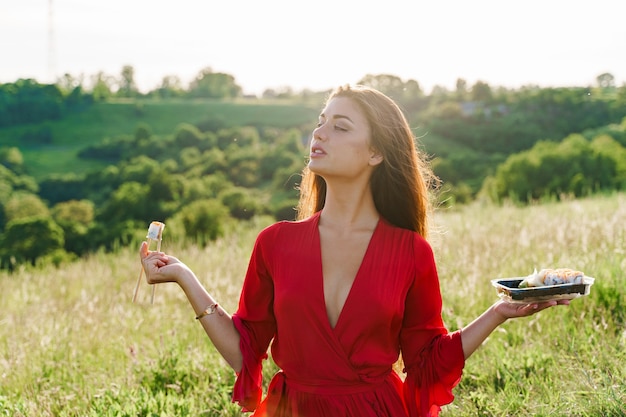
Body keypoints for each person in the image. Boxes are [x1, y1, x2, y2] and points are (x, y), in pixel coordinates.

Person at [140, 85, 569, 417]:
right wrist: (184, 276)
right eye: (321, 121)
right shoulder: (275, 243)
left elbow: (426, 363)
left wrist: (497, 313)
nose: (319, 133)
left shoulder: (410, 252)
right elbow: (244, 350)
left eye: (340, 126)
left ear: (377, 153)